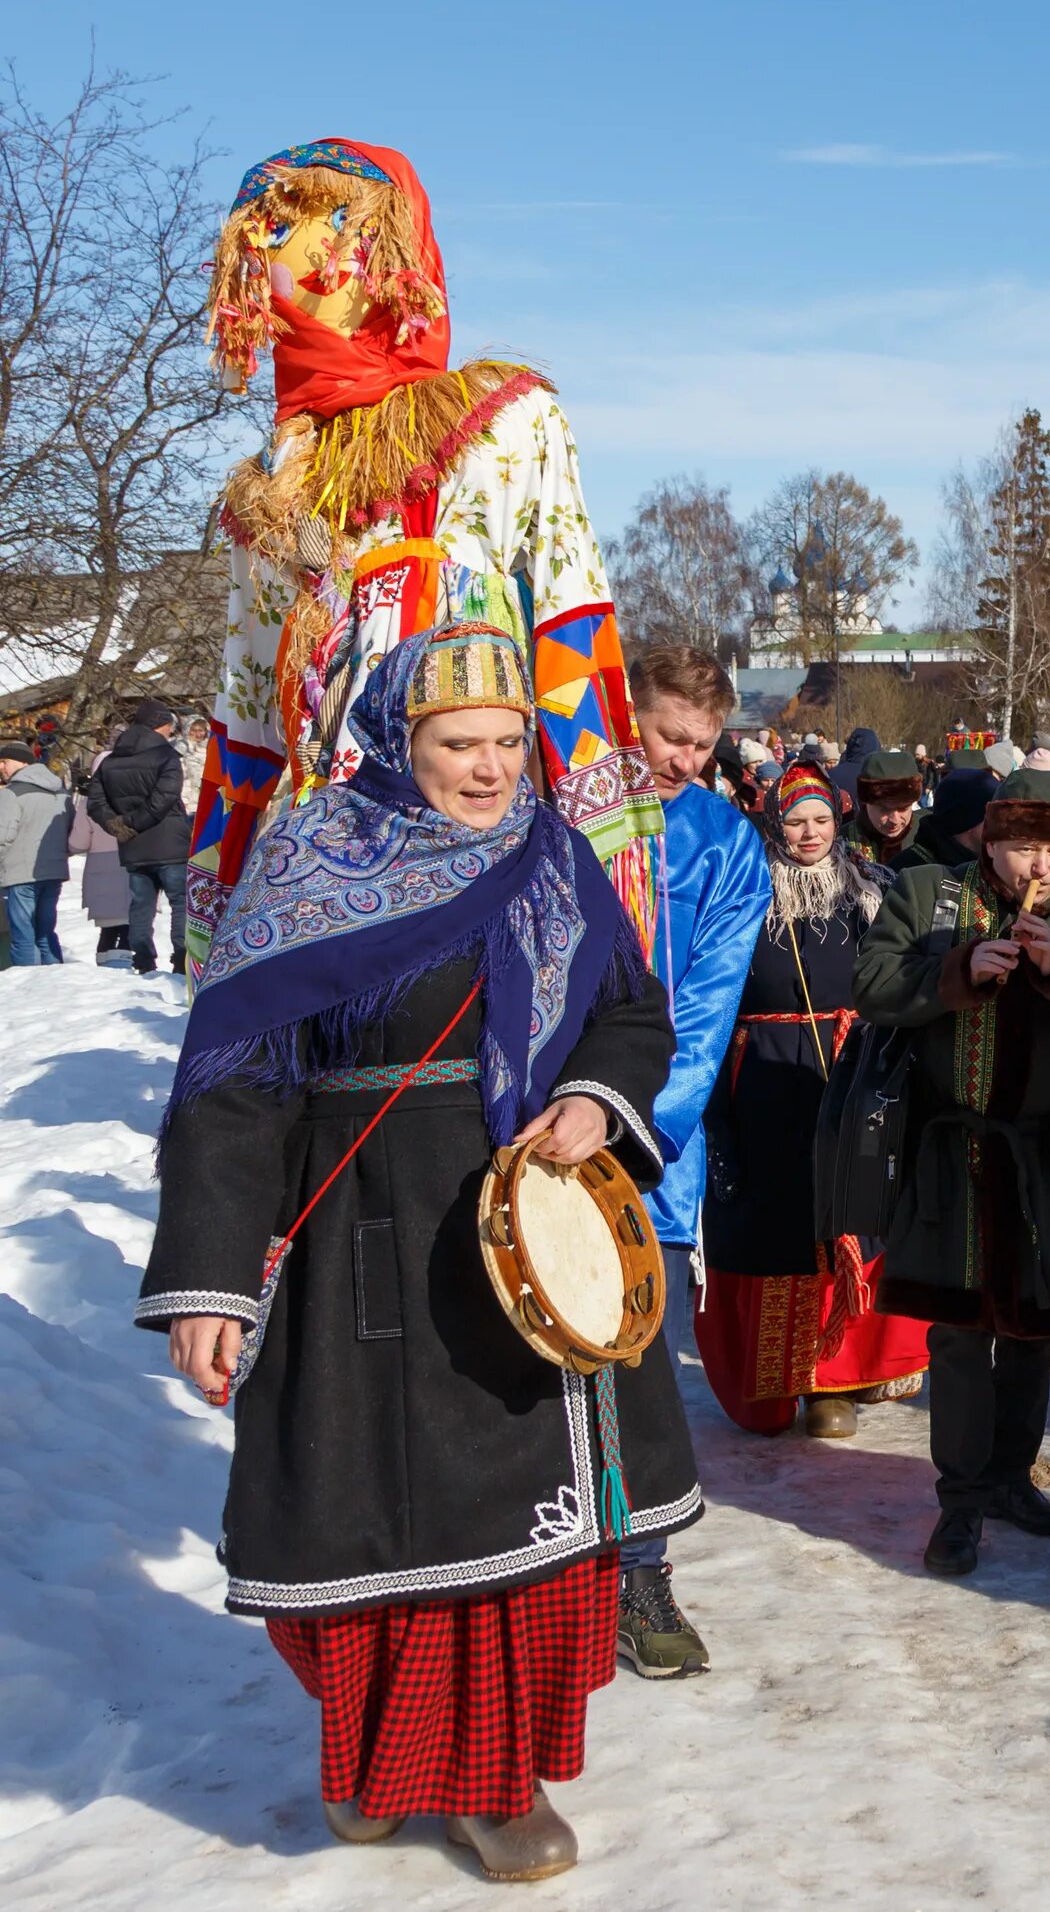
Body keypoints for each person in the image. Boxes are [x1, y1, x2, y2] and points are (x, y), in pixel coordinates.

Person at [135, 622, 694, 1882]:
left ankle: (498, 1785)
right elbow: (232, 1089)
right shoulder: (310, 857)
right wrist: (212, 1281)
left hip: (529, 1233)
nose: (490, 770)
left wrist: (598, 1099)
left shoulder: (553, 857)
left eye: (507, 742)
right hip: (364, 1240)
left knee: (519, 1532)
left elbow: (630, 1015)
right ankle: (373, 1762)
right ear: (396, 739)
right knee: (358, 1516)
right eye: (458, 744)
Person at [184, 138, 663, 968]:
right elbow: (250, 698)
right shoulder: (268, 483)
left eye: (341, 220)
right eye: (274, 234)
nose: (316, 258)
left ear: (402, 245)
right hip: (320, 874)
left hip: (484, 851)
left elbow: (572, 624)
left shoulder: (506, 420)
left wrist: (602, 878)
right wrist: (222, 913)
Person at [857, 769, 1050, 1573]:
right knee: (962, 1337)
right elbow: (870, 986)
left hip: (1047, 1153)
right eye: (1018, 847)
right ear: (987, 840)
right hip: (953, 1154)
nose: (1037, 867)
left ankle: (1011, 1478)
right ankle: (960, 1502)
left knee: (1035, 1332)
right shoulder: (929, 890)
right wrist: (958, 972)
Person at [695, 762, 933, 1438]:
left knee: (851, 1215)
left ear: (840, 819)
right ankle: (781, 1381)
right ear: (773, 820)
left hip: (852, 1072)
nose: (809, 832)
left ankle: (841, 1383)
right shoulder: (742, 895)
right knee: (778, 1226)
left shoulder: (868, 892)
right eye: (796, 819)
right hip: (764, 1079)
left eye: (820, 819)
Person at [615, 643, 769, 1679]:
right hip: (509, 1143)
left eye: (702, 744)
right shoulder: (555, 812)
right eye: (669, 735)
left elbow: (706, 1018)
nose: (683, 758)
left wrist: (633, 1134)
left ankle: (640, 1568)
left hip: (642, 1162)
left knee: (640, 1371)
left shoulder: (724, 844)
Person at [84, 699, 188, 974]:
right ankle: (182, 958)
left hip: (133, 846)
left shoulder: (111, 760)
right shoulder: (166, 756)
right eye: (168, 726)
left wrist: (118, 825)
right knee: (180, 902)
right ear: (159, 725)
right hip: (170, 842)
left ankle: (142, 959)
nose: (170, 732)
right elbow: (165, 798)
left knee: (141, 905)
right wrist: (133, 822)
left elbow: (94, 802)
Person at [0, 739, 73, 965]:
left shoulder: (11, 793)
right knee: (45, 933)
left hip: (20, 873)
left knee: (23, 936)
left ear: (22, 763)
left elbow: (2, 836)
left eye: (4, 762)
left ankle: (28, 992)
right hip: (53, 871)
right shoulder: (61, 791)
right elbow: (68, 829)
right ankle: (55, 984)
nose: (1, 767)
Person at [72, 740, 132, 960]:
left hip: (100, 870)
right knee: (130, 925)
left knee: (108, 930)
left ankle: (105, 968)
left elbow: (78, 842)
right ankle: (130, 965)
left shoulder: (88, 802)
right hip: (132, 862)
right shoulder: (137, 795)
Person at [851, 746, 929, 871]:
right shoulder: (843, 842)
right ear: (867, 802)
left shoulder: (929, 838)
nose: (895, 820)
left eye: (903, 808)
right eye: (885, 809)